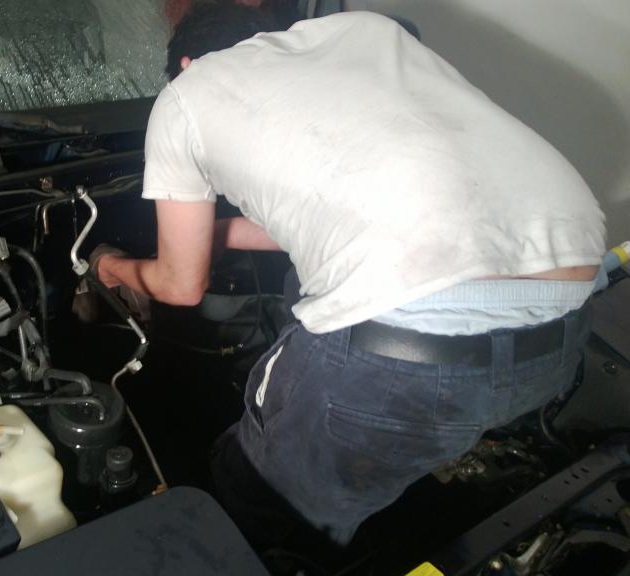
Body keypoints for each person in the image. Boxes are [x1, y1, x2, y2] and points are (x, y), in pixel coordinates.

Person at [92, 4, 605, 550]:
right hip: (565, 324)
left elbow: (180, 287)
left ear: (187, 64)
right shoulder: (366, 30)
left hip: (409, 362)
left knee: (250, 503)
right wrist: (209, 235)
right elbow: (366, 209)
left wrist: (108, 265)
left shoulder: (185, 96)